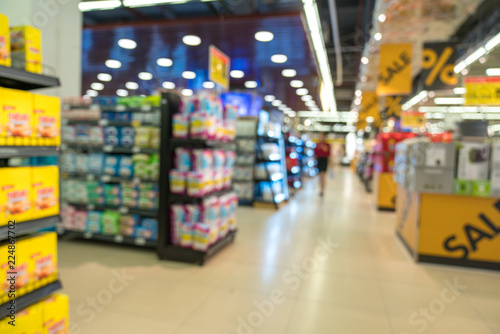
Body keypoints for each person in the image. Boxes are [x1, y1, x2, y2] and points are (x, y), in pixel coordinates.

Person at [314, 133, 331, 197]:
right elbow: (315, 154)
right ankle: (320, 188)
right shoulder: (317, 144)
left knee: (323, 175)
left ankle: (322, 189)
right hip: (319, 160)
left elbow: (328, 154)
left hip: (324, 160)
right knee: (320, 175)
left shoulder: (327, 145)